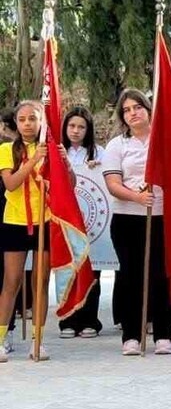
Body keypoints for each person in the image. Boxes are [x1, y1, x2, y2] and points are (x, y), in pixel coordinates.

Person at [103, 90, 171, 356]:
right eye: (127, 109)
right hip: (127, 219)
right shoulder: (117, 145)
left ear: (148, 108)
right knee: (131, 276)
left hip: (161, 217)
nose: (133, 113)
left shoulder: (162, 140)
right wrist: (137, 197)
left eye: (138, 107)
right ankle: (131, 334)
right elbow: (112, 184)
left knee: (159, 275)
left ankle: (163, 334)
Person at [0, 101, 51, 362]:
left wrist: (62, 163)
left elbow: (69, 186)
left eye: (33, 118)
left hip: (46, 220)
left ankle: (38, 339)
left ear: (41, 121)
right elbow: (10, 184)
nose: (28, 123)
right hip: (16, 220)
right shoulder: (7, 149)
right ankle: (1, 338)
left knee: (40, 281)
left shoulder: (50, 149)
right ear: (16, 123)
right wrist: (34, 160)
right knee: (11, 281)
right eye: (23, 119)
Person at [60, 106, 104, 338]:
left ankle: (89, 319)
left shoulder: (99, 153)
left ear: (88, 130)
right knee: (67, 268)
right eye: (72, 126)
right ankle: (67, 319)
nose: (76, 131)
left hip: (92, 222)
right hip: (65, 221)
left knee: (91, 270)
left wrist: (98, 169)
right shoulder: (58, 152)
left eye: (81, 127)